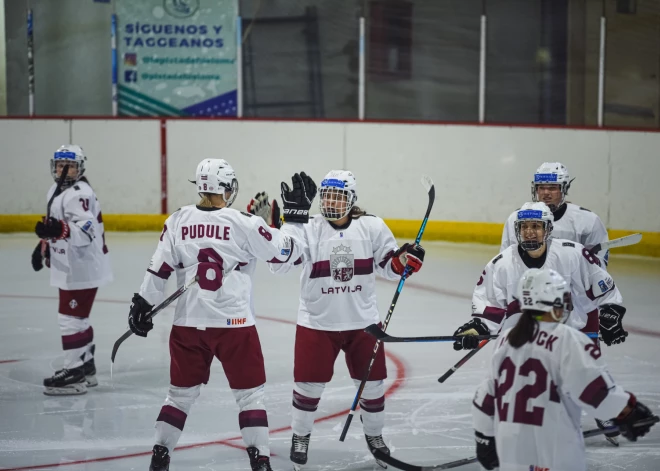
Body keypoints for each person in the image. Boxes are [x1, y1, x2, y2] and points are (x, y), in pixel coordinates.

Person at [128, 159, 305, 471]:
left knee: (179, 397)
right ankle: (260, 459)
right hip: (234, 326)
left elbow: (159, 270)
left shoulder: (178, 220)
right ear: (226, 188)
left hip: (188, 325)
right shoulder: (245, 223)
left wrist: (142, 303)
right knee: (250, 398)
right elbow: (286, 253)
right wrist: (291, 221)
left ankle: (160, 455)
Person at [247, 170, 425, 470]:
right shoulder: (309, 228)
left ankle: (375, 437)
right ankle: (300, 436)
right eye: (327, 195)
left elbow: (390, 266)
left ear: (351, 199)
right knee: (308, 387)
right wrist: (289, 224)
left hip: (363, 324)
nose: (330, 201)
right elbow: (280, 266)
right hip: (317, 323)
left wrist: (406, 260)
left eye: (338, 195)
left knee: (373, 386)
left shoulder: (372, 226)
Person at [472, 268, 657, 471]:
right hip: (555, 451)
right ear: (556, 303)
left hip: (511, 452)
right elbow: (595, 392)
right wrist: (628, 411)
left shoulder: (506, 339)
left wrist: (484, 439)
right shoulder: (568, 339)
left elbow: (485, 397)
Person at [453, 202, 627, 350]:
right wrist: (476, 329)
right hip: (530, 339)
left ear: (548, 229)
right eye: (524, 226)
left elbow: (603, 287)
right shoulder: (502, 264)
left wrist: (610, 314)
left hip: (572, 337)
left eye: (536, 226)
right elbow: (489, 305)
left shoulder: (572, 254)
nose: (529, 232)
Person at [33, 144, 112, 396]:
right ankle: (85, 365)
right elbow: (53, 223)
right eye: (59, 165)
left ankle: (74, 372)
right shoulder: (56, 191)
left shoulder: (80, 193)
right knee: (79, 319)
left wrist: (60, 231)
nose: (64, 170)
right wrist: (43, 244)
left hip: (82, 266)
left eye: (70, 166)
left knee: (70, 320)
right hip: (69, 265)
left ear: (80, 168)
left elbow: (86, 231)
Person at [501, 162, 610, 267]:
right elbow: (506, 260)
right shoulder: (516, 218)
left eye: (552, 188)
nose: (546, 193)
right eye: (541, 187)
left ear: (564, 189)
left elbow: (598, 265)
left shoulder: (588, 221)